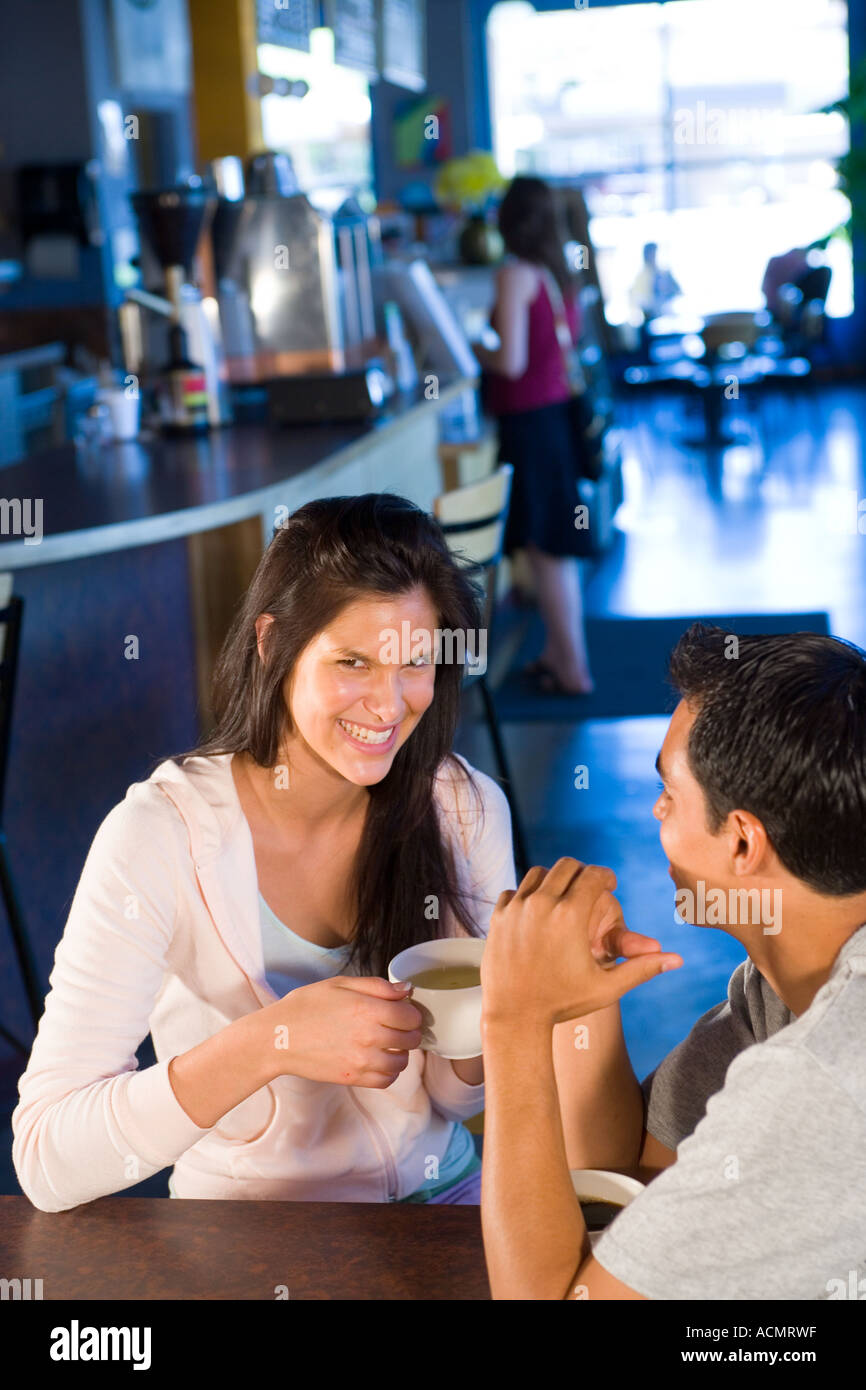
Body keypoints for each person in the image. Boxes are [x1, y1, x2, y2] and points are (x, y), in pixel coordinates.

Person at [11, 494, 603, 1212]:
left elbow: (452, 1096)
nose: (388, 707)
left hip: (442, 1198)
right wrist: (270, 1043)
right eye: (352, 662)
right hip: (252, 1230)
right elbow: (46, 1159)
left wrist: (524, 1001)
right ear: (272, 645)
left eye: (414, 663)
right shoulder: (160, 834)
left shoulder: (461, 806)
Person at [479, 623, 866, 1299]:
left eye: (670, 794)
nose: (653, 809)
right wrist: (585, 987)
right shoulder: (782, 990)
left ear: (743, 843)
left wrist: (513, 1020)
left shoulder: (818, 1076)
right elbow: (629, 1171)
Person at [472, 175, 595, 696]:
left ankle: (573, 668)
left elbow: (512, 360)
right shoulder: (555, 271)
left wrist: (472, 344)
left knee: (545, 548)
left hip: (529, 425)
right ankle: (561, 654)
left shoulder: (515, 274)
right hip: (554, 421)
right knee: (551, 547)